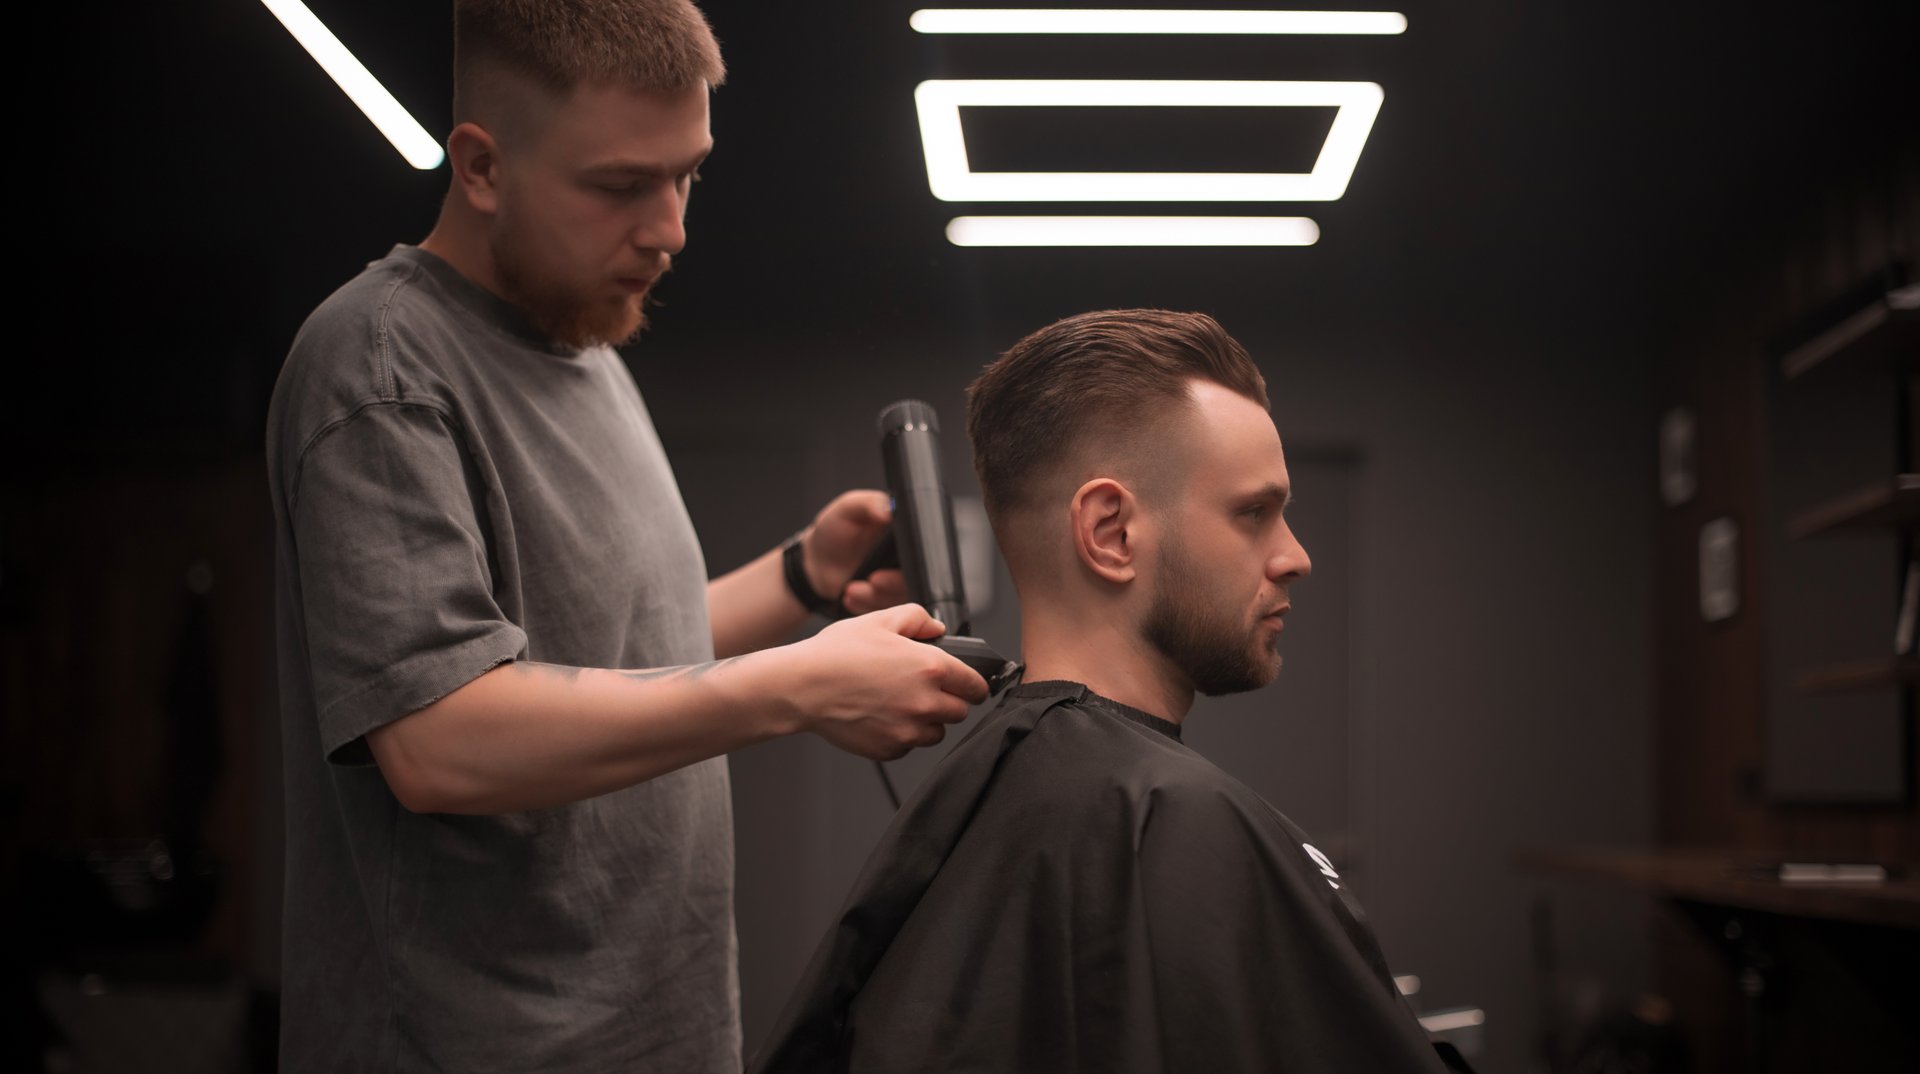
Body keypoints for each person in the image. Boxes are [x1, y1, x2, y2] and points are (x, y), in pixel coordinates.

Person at [263, 2, 988, 1070]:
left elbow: (605, 654)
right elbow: (437, 738)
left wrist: (803, 575)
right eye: (618, 185)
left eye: (686, 172)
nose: (670, 228)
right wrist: (797, 688)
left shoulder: (586, 349)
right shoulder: (380, 371)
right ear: (481, 166)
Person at [750, 310, 1470, 1073]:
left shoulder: (1012, 792)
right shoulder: (1169, 814)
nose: (1295, 557)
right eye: (1253, 513)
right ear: (1111, 533)